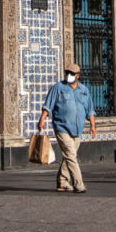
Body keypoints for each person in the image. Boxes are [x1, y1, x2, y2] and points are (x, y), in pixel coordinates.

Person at [37, 62, 97, 193]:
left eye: (72, 74)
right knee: (71, 155)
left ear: (77, 76)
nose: (69, 75)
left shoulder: (84, 91)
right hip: (62, 127)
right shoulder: (58, 88)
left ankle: (63, 182)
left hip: (77, 129)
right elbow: (48, 105)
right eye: (67, 73)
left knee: (70, 155)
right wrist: (42, 119)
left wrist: (93, 125)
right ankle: (79, 184)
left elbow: (90, 110)